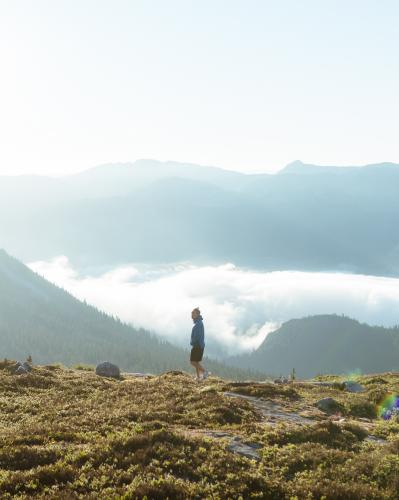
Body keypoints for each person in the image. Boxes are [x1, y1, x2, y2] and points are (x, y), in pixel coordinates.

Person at [190, 307, 208, 381]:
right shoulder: (198, 322)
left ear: (197, 314)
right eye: (191, 313)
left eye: (193, 313)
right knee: (196, 361)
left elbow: (197, 336)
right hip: (199, 345)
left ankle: (205, 372)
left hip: (197, 345)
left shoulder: (198, 324)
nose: (191, 314)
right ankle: (198, 377)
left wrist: (193, 342)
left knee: (193, 362)